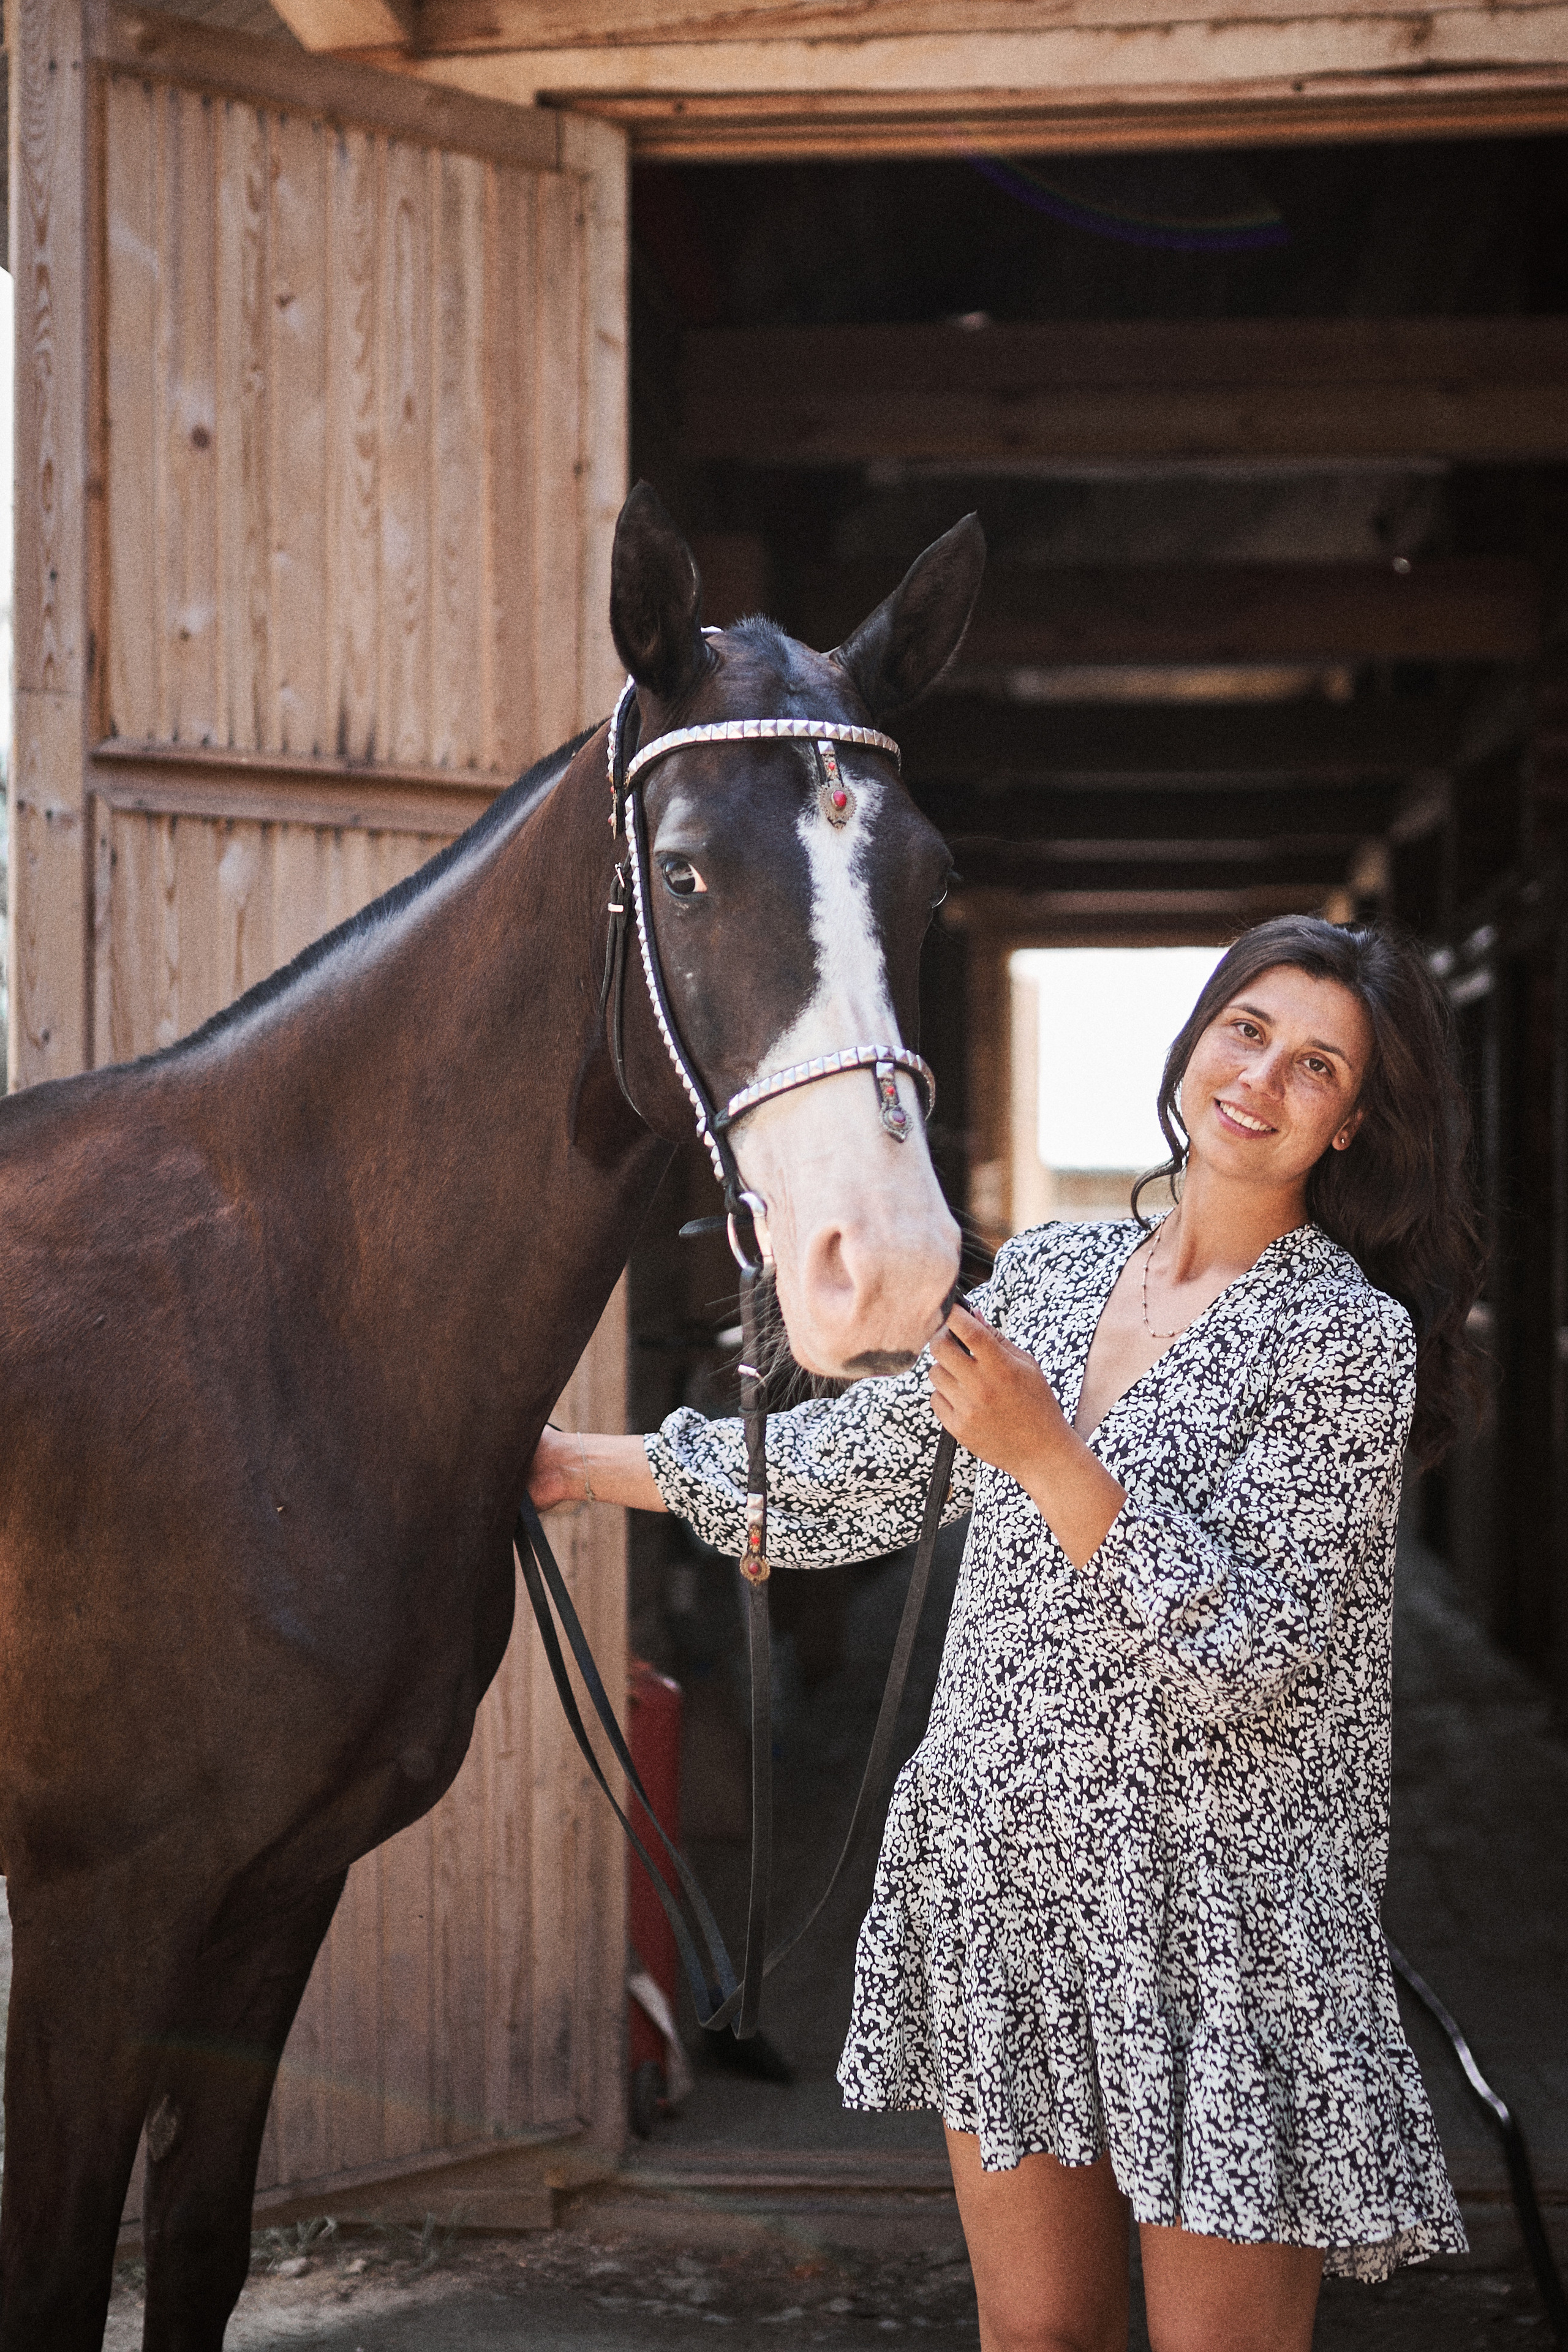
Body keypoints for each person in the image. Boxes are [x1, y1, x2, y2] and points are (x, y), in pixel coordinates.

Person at [529, 914, 1481, 2352]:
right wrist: (580, 1466)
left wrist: (1048, 1459)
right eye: (1245, 1030)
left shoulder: (1344, 1342)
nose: (1260, 1078)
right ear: (1194, 1036)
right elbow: (862, 1468)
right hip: (1010, 1888)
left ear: (1350, 1125)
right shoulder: (1046, 1272)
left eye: (1314, 1067)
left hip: (1212, 1919)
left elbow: (1250, 1653)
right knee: (1035, 2340)